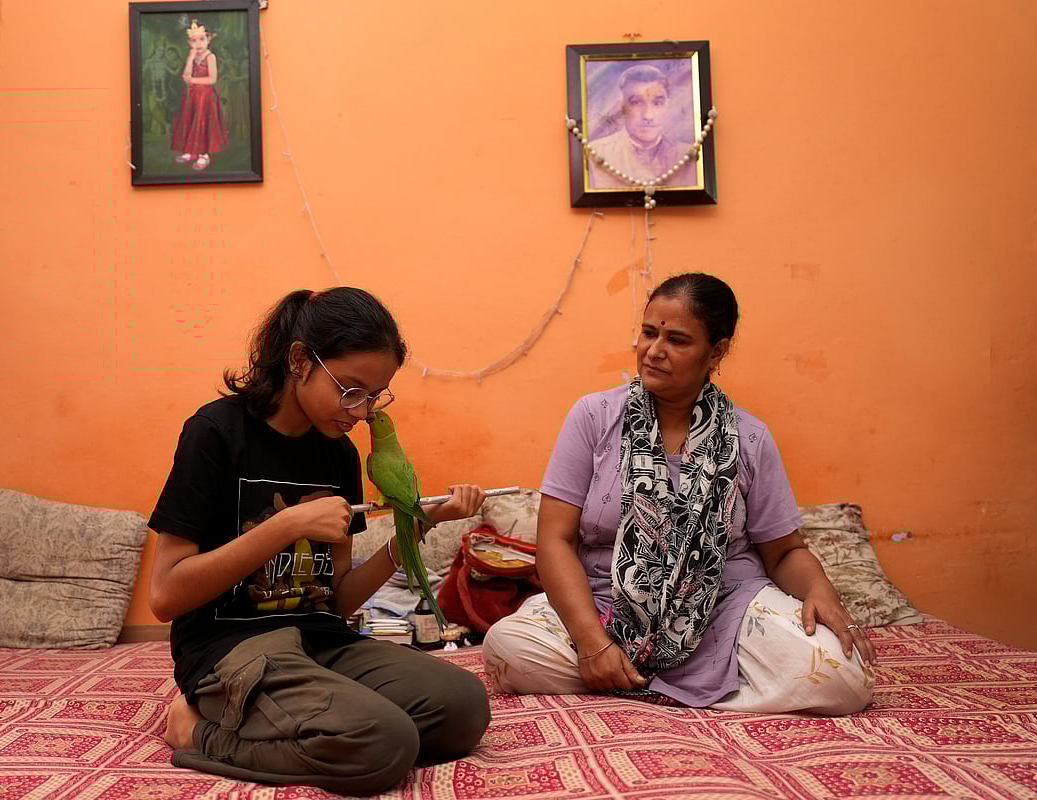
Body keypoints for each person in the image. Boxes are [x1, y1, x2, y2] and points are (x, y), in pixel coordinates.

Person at [483, 273, 876, 715]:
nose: (654, 351)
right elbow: (555, 540)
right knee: (506, 649)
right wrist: (591, 641)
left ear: (718, 351)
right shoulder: (594, 417)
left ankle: (648, 685)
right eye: (649, 333)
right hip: (606, 602)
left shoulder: (748, 437)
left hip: (722, 602)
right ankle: (680, 681)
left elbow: (783, 551)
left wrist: (820, 589)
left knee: (843, 677)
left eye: (678, 340)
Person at [149, 287, 490, 794]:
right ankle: (196, 729)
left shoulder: (338, 455)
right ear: (300, 360)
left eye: (374, 396)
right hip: (232, 648)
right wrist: (287, 526)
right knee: (383, 744)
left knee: (463, 707)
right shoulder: (215, 433)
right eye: (351, 389)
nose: (362, 410)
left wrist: (415, 529)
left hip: (320, 641)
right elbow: (165, 595)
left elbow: (338, 599)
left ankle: (331, 720)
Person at [587, 64, 696, 190]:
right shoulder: (596, 154)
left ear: (668, 106)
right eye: (636, 102)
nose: (648, 116)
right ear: (621, 107)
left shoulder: (687, 156)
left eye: (657, 103)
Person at [171, 19, 230, 171]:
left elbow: (212, 79)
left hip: (205, 97)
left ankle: (203, 154)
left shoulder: (210, 57)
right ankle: (191, 151)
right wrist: (190, 59)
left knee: (202, 123)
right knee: (190, 121)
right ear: (189, 43)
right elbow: (185, 76)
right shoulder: (192, 57)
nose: (198, 44)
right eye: (193, 40)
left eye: (202, 39)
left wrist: (193, 80)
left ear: (209, 39)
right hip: (192, 97)